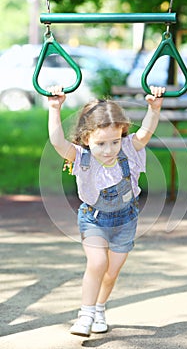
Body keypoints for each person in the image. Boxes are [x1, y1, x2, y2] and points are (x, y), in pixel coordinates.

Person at [47, 85, 165, 337]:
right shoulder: (80, 157)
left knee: (111, 273)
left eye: (115, 141)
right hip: (94, 219)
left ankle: (99, 308)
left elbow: (145, 133)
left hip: (126, 220)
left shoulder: (129, 149)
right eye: (101, 143)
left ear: (122, 134)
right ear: (86, 138)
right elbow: (57, 141)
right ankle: (85, 315)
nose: (109, 149)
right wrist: (54, 108)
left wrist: (154, 109)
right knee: (97, 263)